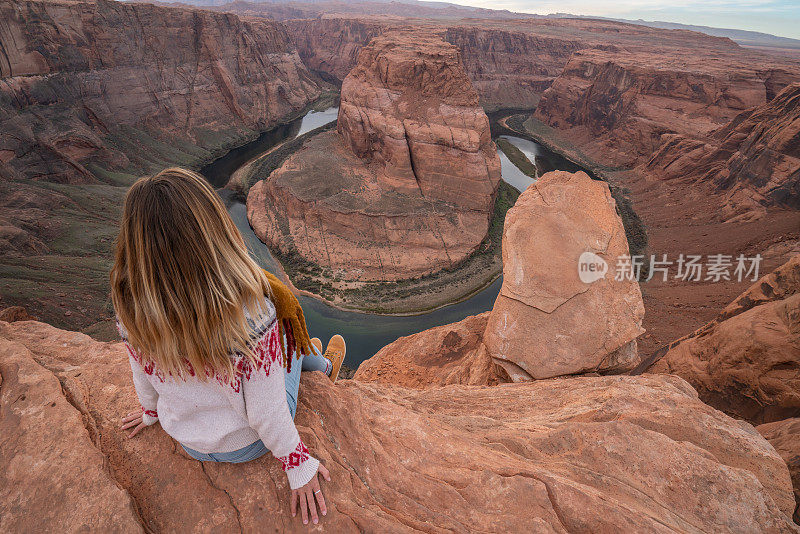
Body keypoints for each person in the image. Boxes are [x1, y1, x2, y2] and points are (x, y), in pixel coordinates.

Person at [110, 167, 345, 525]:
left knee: (273, 341)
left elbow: (141, 371)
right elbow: (267, 413)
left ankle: (315, 361)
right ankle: (323, 367)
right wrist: (297, 464)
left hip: (188, 440)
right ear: (212, 230)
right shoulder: (250, 312)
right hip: (247, 444)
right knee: (284, 326)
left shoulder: (132, 311)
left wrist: (150, 413)